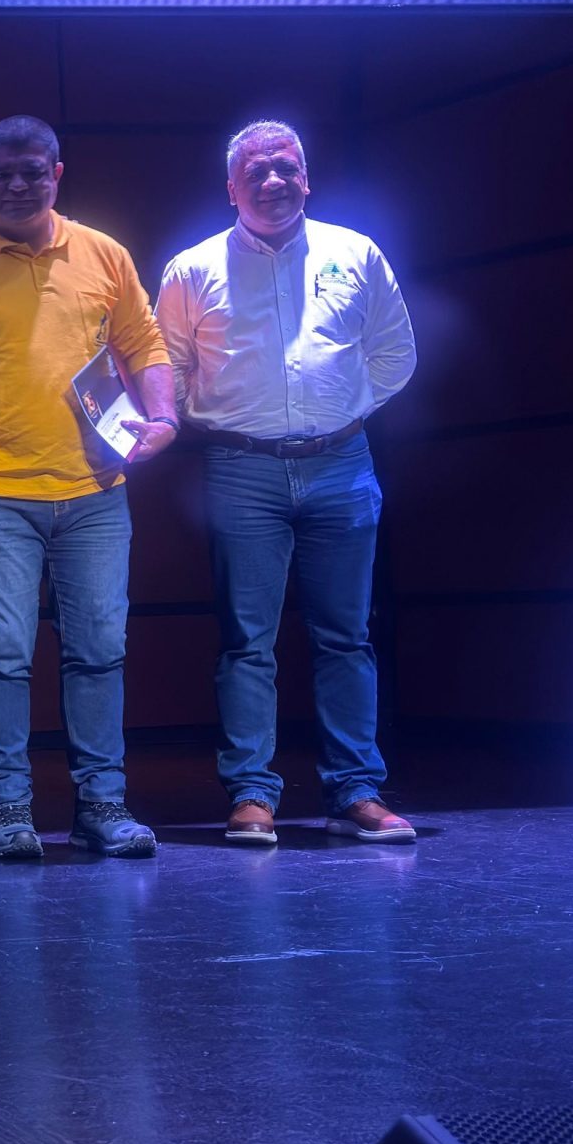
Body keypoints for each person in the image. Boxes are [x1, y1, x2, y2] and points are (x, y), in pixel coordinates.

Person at [0, 116, 176, 860]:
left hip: (95, 489)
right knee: (3, 654)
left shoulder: (103, 253)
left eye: (32, 172)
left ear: (57, 174)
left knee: (100, 648)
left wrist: (164, 415)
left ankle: (102, 807)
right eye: (3, 174)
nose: (17, 185)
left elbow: (143, 341)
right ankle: (11, 810)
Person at [155, 121, 419, 844]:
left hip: (343, 462)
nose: (273, 181)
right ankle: (251, 793)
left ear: (307, 177)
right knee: (247, 641)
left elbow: (394, 352)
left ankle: (355, 791)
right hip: (240, 468)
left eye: (286, 167)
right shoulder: (192, 270)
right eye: (257, 172)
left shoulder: (355, 253)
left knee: (347, 637)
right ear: (231, 189)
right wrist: (231, 416)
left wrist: (341, 411)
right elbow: (167, 371)